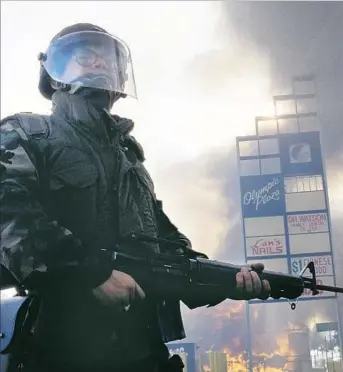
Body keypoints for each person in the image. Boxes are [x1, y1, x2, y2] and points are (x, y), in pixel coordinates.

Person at [0, 23, 271, 372]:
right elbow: (9, 212)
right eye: (85, 56)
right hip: (62, 343)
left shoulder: (128, 157)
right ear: (53, 75)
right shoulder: (25, 133)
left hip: (141, 349)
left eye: (108, 59)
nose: (99, 65)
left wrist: (228, 280)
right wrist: (92, 275)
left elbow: (165, 248)